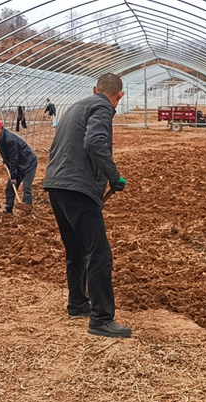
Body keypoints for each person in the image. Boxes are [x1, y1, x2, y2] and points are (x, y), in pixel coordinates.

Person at [42, 73, 131, 339]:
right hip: (78, 188)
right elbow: (94, 142)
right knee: (99, 253)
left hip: (56, 185)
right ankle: (101, 319)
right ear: (119, 96)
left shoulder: (76, 106)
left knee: (76, 250)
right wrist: (114, 176)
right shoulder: (102, 107)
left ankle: (78, 303)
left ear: (94, 89)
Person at [0, 118, 38, 214]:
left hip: (28, 163)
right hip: (18, 164)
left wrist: (13, 176)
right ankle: (8, 208)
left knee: (26, 187)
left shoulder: (10, 140)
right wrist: (6, 161)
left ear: (0, 128)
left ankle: (27, 209)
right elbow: (8, 155)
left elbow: (14, 159)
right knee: (10, 187)